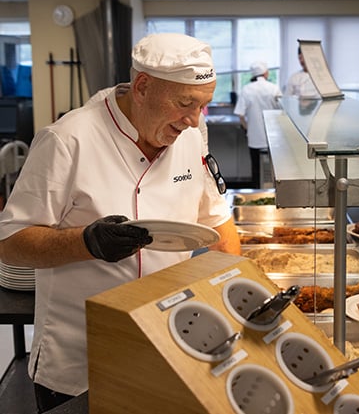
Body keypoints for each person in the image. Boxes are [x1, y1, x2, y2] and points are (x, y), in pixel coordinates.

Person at [0, 32, 241, 412]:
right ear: (142, 87)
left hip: (169, 347)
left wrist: (236, 304)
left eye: (203, 106)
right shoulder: (68, 140)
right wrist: (86, 243)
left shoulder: (192, 135)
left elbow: (218, 223)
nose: (193, 120)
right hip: (81, 359)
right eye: (185, 103)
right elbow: (11, 242)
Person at [233, 61, 282, 187]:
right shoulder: (274, 88)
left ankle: (257, 192)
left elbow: (240, 115)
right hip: (273, 139)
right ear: (266, 73)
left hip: (254, 139)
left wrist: (248, 129)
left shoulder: (246, 89)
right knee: (274, 171)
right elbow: (283, 111)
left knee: (256, 170)